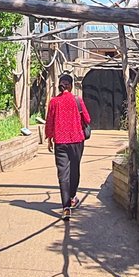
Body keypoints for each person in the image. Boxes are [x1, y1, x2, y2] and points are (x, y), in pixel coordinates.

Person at [44, 73, 91, 218]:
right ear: (70, 86)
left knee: (62, 173)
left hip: (60, 142)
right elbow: (87, 118)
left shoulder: (54, 102)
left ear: (59, 85)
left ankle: (65, 208)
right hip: (77, 141)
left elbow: (49, 121)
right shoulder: (77, 99)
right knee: (74, 169)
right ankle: (72, 198)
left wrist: (49, 138)